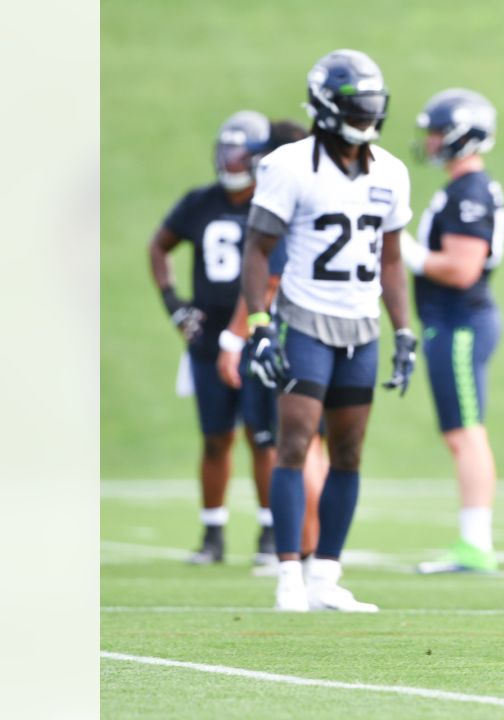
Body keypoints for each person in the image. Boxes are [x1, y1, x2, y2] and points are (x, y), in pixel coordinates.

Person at [242, 49, 417, 612]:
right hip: (305, 318)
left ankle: (326, 576)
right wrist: (258, 324)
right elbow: (258, 247)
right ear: (324, 106)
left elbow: (391, 260)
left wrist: (404, 331)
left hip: (362, 325)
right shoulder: (289, 165)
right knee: (294, 443)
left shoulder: (391, 170)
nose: (366, 115)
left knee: (348, 451)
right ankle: (289, 575)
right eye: (355, 105)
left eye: (372, 104)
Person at [147, 110, 278, 566]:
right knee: (214, 437)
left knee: (262, 437)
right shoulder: (199, 202)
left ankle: (268, 529)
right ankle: (213, 531)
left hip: (256, 332)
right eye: (226, 150)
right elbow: (159, 245)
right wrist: (173, 304)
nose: (231, 160)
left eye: (240, 152)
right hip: (207, 336)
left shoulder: (272, 203)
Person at [398, 89, 504, 574]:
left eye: (439, 131)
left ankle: (475, 543)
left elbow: (463, 268)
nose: (432, 140)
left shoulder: (470, 190)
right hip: (452, 321)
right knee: (460, 432)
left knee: (466, 432)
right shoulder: (463, 188)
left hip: (461, 320)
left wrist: (407, 251)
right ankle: (473, 540)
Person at [217, 121, 332, 564]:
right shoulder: (323, 192)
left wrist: (235, 336)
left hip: (292, 333)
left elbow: (269, 276)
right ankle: (317, 551)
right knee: (313, 445)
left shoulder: (287, 197)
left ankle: (307, 549)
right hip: (329, 330)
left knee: (294, 445)